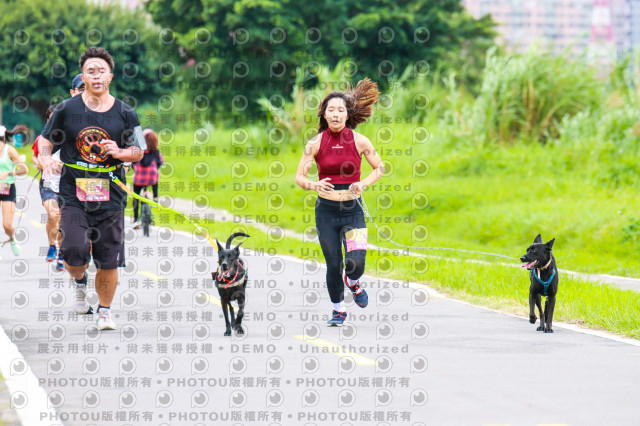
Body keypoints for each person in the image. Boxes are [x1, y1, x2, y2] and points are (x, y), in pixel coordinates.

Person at [39, 47, 145, 330]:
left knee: (108, 259)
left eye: (101, 71)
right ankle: (79, 280)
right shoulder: (66, 109)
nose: (96, 76)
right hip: (74, 192)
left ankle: (104, 311)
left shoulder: (126, 112)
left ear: (110, 76)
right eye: (90, 71)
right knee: (74, 251)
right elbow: (46, 139)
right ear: (82, 77)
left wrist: (120, 152)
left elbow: (139, 150)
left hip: (111, 194)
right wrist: (46, 159)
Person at [295, 78, 385, 327]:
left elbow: (380, 167)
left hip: (352, 210)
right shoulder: (314, 144)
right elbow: (299, 177)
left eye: (340, 110)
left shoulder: (360, 141)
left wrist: (363, 184)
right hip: (326, 212)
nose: (335, 114)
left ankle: (353, 282)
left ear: (347, 114)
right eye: (331, 110)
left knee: (356, 262)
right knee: (334, 264)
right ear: (324, 114)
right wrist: (314, 185)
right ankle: (338, 310)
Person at [31, 76, 85, 269]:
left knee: (65, 221)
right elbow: (37, 157)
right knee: (53, 216)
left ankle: (63, 253)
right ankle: (52, 246)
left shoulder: (77, 131)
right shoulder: (43, 138)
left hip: (70, 184)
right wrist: (44, 163)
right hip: (49, 183)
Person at [0, 125, 29, 256]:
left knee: (7, 225)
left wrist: (9, 173)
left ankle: (12, 239)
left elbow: (24, 169)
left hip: (7, 189)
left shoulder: (10, 151)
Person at [131, 128, 163, 229]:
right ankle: (155, 198)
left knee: (136, 196)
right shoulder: (156, 151)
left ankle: (136, 219)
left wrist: (134, 168)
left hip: (139, 177)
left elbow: (133, 162)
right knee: (155, 179)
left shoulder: (139, 151)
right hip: (151, 177)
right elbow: (160, 162)